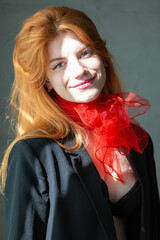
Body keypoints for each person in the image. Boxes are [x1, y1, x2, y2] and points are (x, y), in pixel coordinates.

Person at [0, 6, 159, 240]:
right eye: (59, 64)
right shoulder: (31, 154)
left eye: (85, 53)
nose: (79, 71)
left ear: (102, 57)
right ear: (46, 82)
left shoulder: (137, 138)